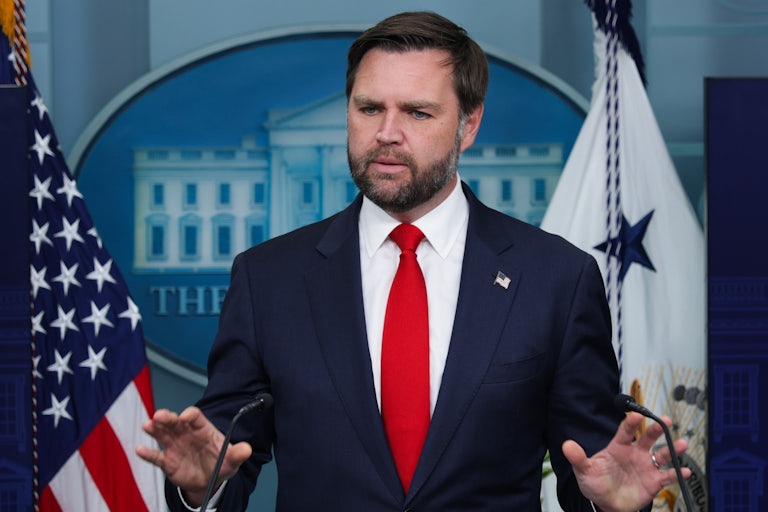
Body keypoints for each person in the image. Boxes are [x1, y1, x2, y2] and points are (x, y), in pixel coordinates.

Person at [137, 11, 689, 511]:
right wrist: (197, 486)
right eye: (369, 107)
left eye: (418, 112)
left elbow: (589, 470)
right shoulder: (268, 280)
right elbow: (227, 462)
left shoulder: (556, 280)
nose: (386, 133)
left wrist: (614, 507)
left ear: (468, 125)